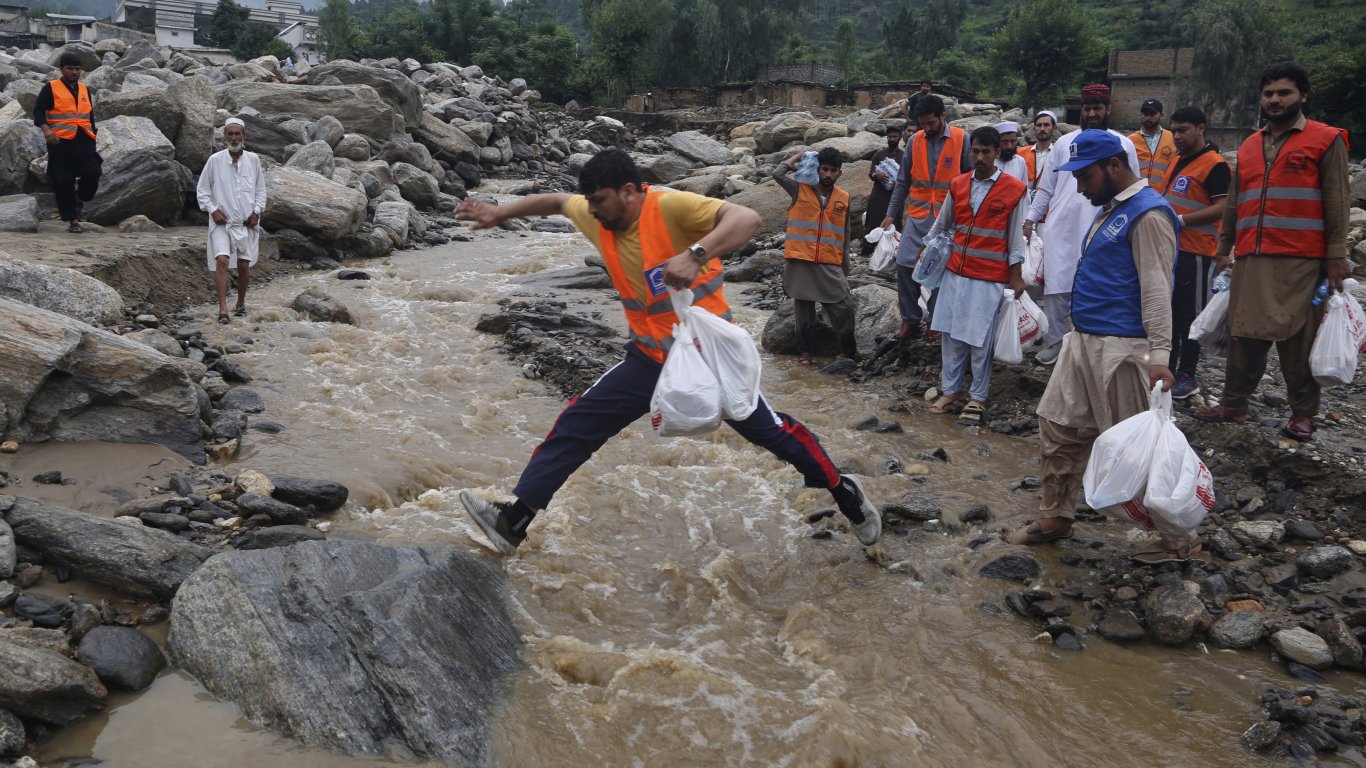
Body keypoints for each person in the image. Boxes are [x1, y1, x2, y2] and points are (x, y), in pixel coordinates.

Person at [452, 149, 882, 555]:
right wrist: (498, 213)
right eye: (592, 202)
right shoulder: (596, 213)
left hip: (708, 355)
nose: (594, 210)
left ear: (629, 191)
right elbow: (558, 202)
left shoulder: (670, 207)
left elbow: (746, 217)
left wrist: (697, 253)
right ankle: (516, 518)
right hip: (648, 357)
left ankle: (842, 491)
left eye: (601, 201)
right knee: (579, 423)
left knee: (772, 434)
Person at [1008, 130, 1184, 563]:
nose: (1080, 187)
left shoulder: (1149, 215)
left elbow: (1158, 291)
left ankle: (1178, 536)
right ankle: (1057, 515)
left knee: (1138, 446)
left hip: (1125, 349)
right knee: (1058, 426)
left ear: (1115, 167)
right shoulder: (1111, 210)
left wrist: (1160, 357)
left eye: (1085, 177)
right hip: (1083, 341)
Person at [1194, 62, 1351, 442]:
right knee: (1244, 333)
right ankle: (1234, 404)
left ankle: (1303, 414)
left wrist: (1335, 258)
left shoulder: (1325, 140)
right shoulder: (1249, 145)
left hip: (1302, 259)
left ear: (1303, 95)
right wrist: (1224, 247)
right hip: (1251, 255)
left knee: (1298, 337)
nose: (1275, 100)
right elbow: (1234, 201)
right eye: (1269, 94)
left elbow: (1337, 203)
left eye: (1284, 92)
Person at [1024, 84, 1140, 365]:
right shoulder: (1064, 143)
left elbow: (1133, 187)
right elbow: (1047, 189)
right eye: (1087, 108)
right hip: (1061, 227)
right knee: (1057, 286)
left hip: (1104, 226)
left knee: (1097, 286)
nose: (1091, 113)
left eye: (1097, 108)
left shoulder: (1123, 144)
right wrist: (1028, 220)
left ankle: (1089, 345)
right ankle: (1056, 342)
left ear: (1108, 110)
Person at [924, 126, 1028, 424]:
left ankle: (978, 396)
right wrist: (925, 252)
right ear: (970, 152)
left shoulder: (1014, 189)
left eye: (986, 152)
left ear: (997, 153)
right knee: (951, 332)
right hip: (955, 271)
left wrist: (1016, 275)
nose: (980, 157)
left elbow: (1015, 239)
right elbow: (942, 225)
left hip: (988, 276)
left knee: (979, 338)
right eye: (976, 151)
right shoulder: (958, 184)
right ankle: (952, 389)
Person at [882, 95, 972, 340]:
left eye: (931, 123)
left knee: (941, 270)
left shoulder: (962, 139)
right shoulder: (914, 142)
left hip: (948, 220)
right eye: (923, 124)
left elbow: (970, 181)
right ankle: (910, 319)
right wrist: (891, 213)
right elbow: (902, 181)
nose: (927, 128)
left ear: (943, 116)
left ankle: (936, 320)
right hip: (919, 215)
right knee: (904, 265)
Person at [1159, 106, 1230, 400]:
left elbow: (1224, 206)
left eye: (1183, 130)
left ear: (1201, 128)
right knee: (1171, 314)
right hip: (1173, 250)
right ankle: (1169, 369)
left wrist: (1183, 220)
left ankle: (1187, 373)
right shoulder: (1179, 160)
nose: (1176, 135)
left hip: (1197, 252)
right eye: (1174, 130)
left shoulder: (1214, 165)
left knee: (1190, 315)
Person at [774, 147, 858, 364]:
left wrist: (845, 263)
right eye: (825, 169)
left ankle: (848, 351)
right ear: (818, 169)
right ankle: (805, 353)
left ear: (840, 173)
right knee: (804, 313)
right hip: (801, 260)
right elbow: (777, 174)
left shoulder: (843, 198)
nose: (828, 174)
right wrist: (798, 157)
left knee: (844, 307)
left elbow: (846, 233)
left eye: (833, 171)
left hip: (829, 260)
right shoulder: (799, 189)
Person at [196, 118, 266, 325]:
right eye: (230, 134)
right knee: (222, 260)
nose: (234, 138)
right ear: (225, 136)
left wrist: (257, 212)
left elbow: (261, 190)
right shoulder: (215, 160)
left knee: (244, 265)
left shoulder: (253, 160)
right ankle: (223, 310)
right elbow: (202, 190)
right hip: (221, 222)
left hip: (246, 222)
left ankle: (241, 304)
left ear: (245, 136)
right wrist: (212, 210)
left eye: (237, 134)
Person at [33, 52, 101, 234]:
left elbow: (90, 116)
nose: (74, 72)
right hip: (60, 142)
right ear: (61, 69)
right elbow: (38, 112)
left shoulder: (85, 90)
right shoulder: (51, 88)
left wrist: (94, 134)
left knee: (93, 172)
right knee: (64, 181)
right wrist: (47, 130)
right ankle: (73, 221)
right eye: (70, 68)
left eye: (77, 69)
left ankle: (80, 198)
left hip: (84, 140)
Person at [862, 124, 903, 256]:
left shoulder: (904, 155)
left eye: (895, 137)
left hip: (895, 196)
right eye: (890, 136)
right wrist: (877, 175)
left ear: (899, 138)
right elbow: (871, 173)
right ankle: (869, 250)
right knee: (874, 220)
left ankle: (891, 252)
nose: (892, 139)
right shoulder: (880, 154)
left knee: (895, 221)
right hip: (879, 194)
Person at [1130, 99, 1177, 189]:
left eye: (1152, 114)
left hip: (1162, 194)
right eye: (1145, 114)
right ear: (1141, 115)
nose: (1148, 118)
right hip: (1136, 193)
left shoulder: (1172, 137)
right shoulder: (1131, 140)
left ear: (1161, 115)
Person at [1021, 111, 1057, 198]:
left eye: (1046, 125)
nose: (1042, 129)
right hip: (1023, 204)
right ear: (1034, 129)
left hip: (1049, 207)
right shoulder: (1020, 153)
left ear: (1054, 129)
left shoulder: (1058, 155)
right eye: (1039, 125)